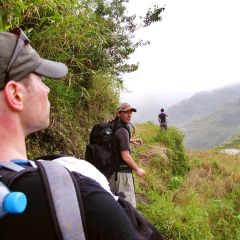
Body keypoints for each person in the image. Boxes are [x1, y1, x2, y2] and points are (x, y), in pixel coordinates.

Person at [0, 28, 161, 240]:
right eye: (41, 80)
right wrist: (138, 169)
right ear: (15, 95)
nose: (47, 90)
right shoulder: (78, 192)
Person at [108, 102, 146, 208]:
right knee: (129, 208)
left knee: (115, 207)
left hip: (112, 174)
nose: (129, 115)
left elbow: (116, 140)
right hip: (122, 176)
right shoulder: (123, 131)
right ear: (118, 114)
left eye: (130, 112)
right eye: (126, 112)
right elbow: (125, 156)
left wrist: (130, 140)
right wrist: (137, 169)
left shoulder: (113, 126)